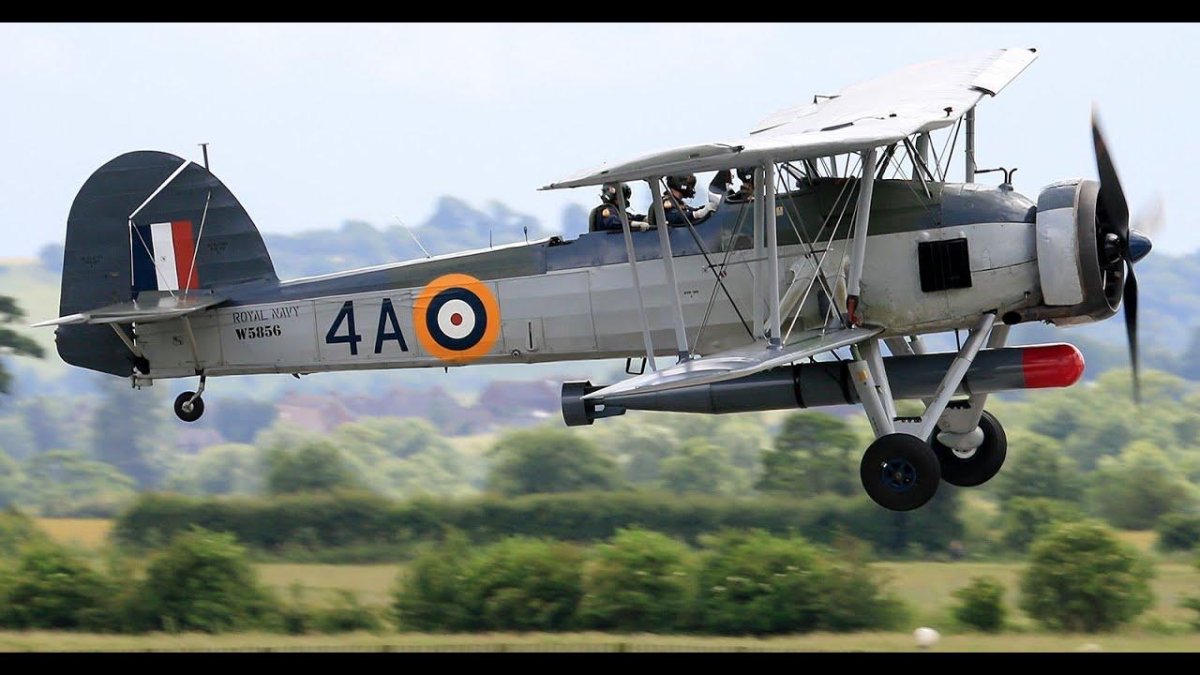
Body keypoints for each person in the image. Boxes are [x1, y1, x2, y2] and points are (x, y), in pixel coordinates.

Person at [647, 173, 723, 228]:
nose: (690, 188)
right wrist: (697, 214)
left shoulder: (678, 203)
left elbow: (690, 210)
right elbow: (673, 217)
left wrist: (707, 207)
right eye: (689, 184)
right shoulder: (666, 203)